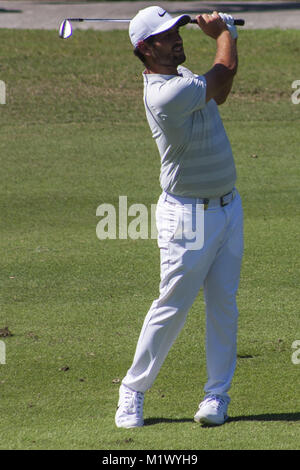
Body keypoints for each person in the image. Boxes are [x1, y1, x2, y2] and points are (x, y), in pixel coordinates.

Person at [115, 5, 243, 428]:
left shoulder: (184, 78)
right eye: (166, 35)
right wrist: (224, 34)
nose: (176, 37)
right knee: (172, 305)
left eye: (176, 29)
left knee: (223, 305)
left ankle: (216, 396)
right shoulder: (163, 93)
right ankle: (132, 391)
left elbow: (219, 91)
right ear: (146, 50)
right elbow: (222, 73)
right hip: (187, 217)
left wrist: (225, 38)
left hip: (228, 207)